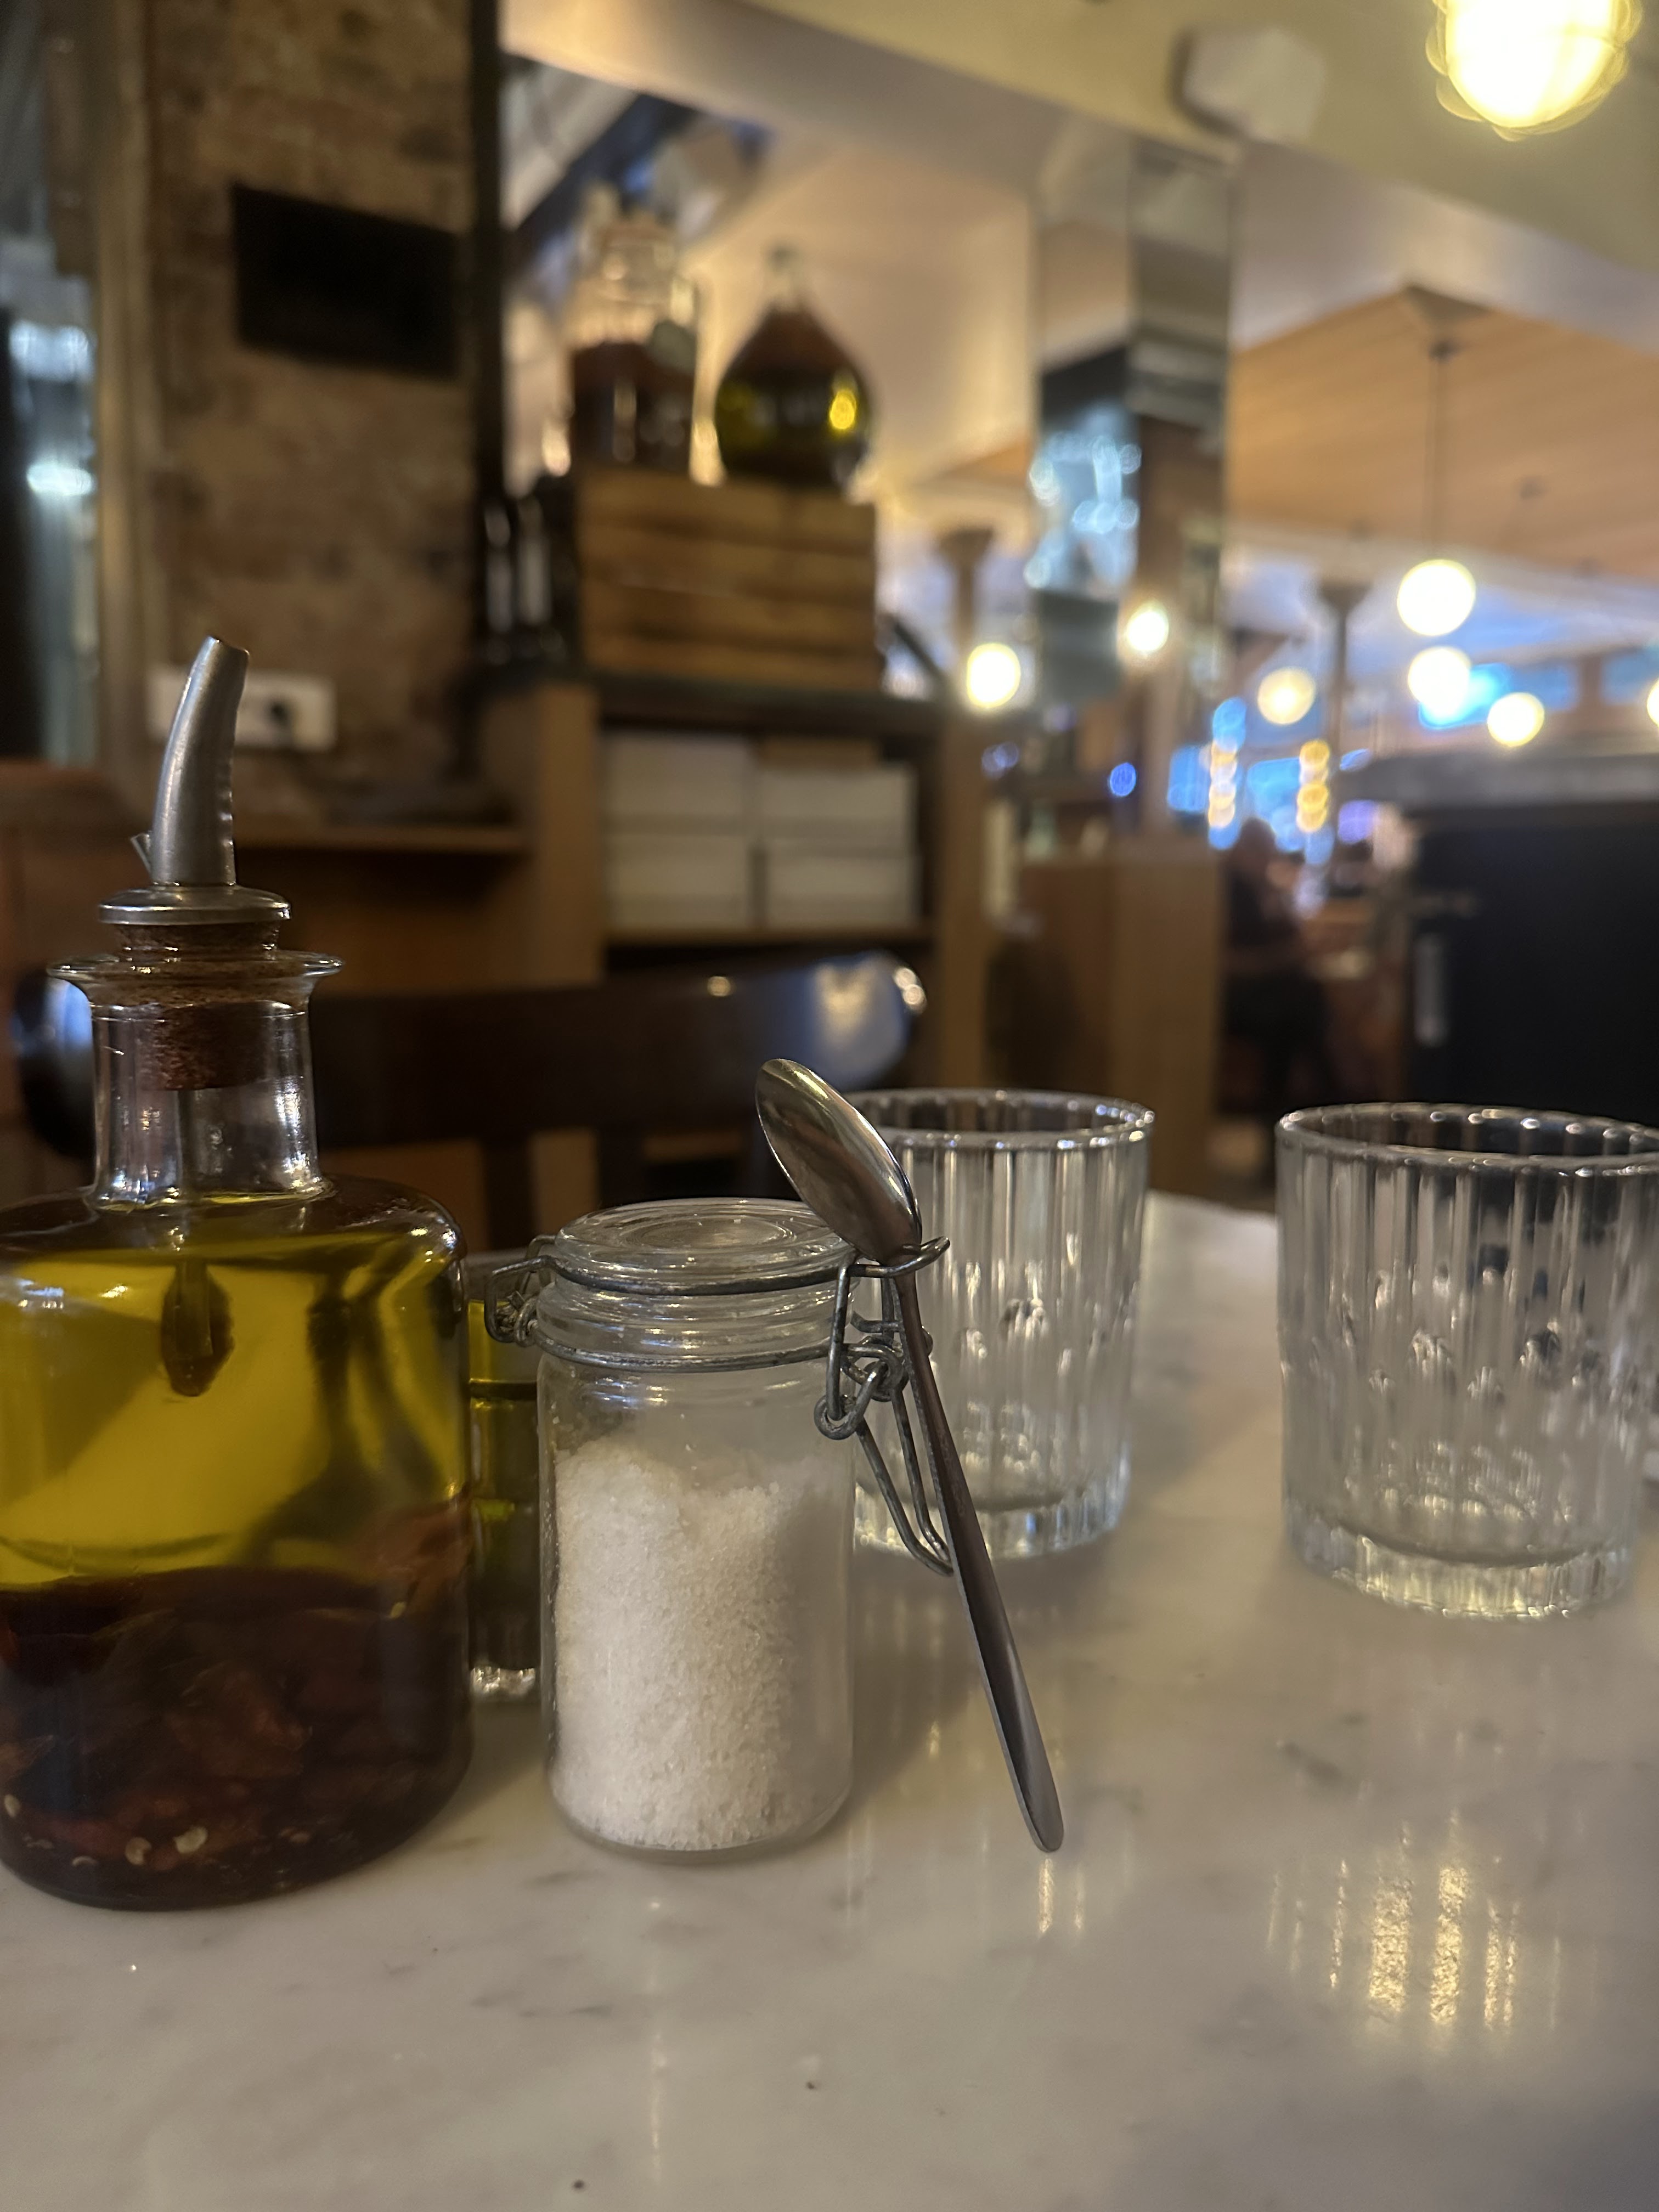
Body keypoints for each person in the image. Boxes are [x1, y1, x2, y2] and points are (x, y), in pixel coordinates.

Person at [1222, 818, 1335, 1130]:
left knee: (1304, 1002)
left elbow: (1293, 935)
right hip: (1235, 997)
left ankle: (1295, 1109)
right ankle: (1315, 1104)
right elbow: (1225, 962)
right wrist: (1282, 958)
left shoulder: (1262, 889)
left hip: (1269, 994)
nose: (1267, 860)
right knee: (1298, 1010)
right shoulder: (1229, 890)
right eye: (1263, 852)